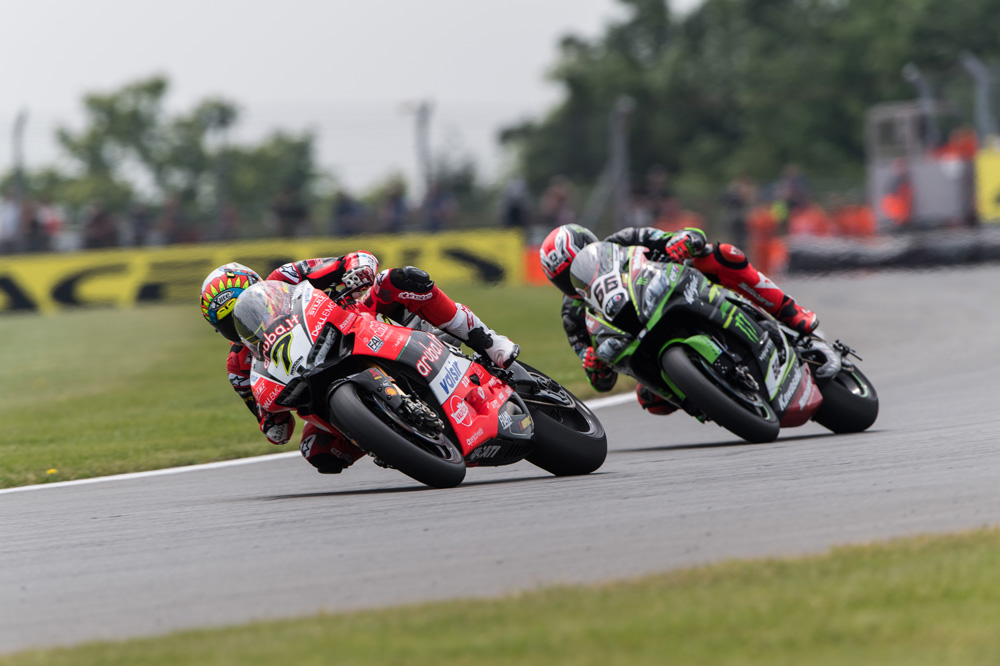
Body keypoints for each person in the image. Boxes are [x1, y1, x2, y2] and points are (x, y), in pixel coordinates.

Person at [200, 254, 519, 475]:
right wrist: (270, 418)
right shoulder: (239, 366)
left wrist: (358, 271)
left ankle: (489, 342)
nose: (244, 320)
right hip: (312, 378)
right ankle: (390, 436)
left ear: (260, 288)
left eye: (247, 307)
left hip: (356, 323)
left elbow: (353, 260)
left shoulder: (285, 276)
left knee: (399, 280)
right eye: (230, 322)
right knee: (318, 452)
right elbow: (276, 429)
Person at [538, 224, 818, 415]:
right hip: (641, 343)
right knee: (650, 400)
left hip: (676, 290)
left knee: (719, 255)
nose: (574, 278)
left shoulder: (623, 241)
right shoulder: (573, 314)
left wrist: (682, 242)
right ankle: (718, 397)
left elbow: (688, 236)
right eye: (564, 278)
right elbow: (600, 380)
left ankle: (790, 311)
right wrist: (594, 366)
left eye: (576, 265)